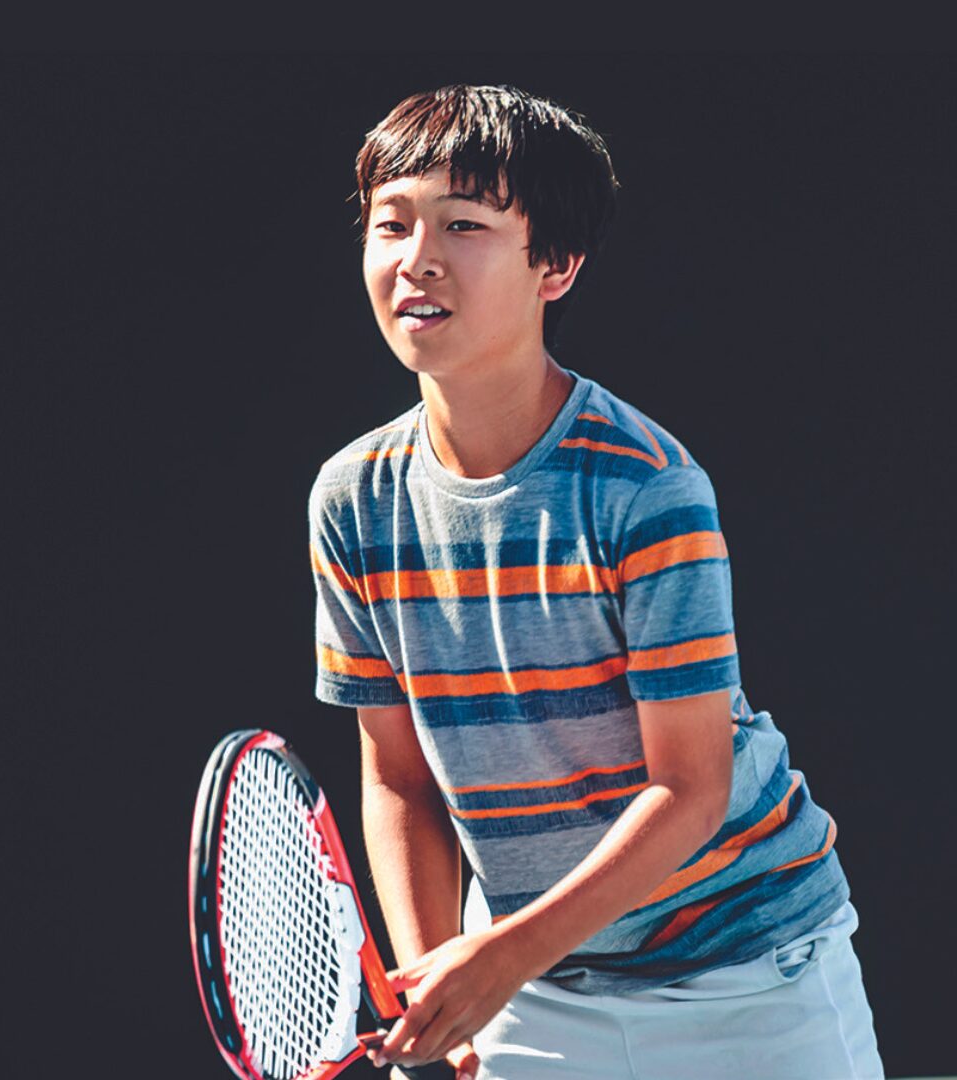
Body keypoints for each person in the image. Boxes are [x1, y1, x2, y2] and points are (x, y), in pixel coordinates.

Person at [308, 84, 884, 1080]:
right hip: (535, 994)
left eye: (465, 224)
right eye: (392, 224)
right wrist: (432, 984)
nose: (418, 258)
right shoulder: (351, 501)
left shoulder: (646, 489)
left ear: (556, 266)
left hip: (752, 978)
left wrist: (494, 961)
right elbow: (398, 778)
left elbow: (690, 789)